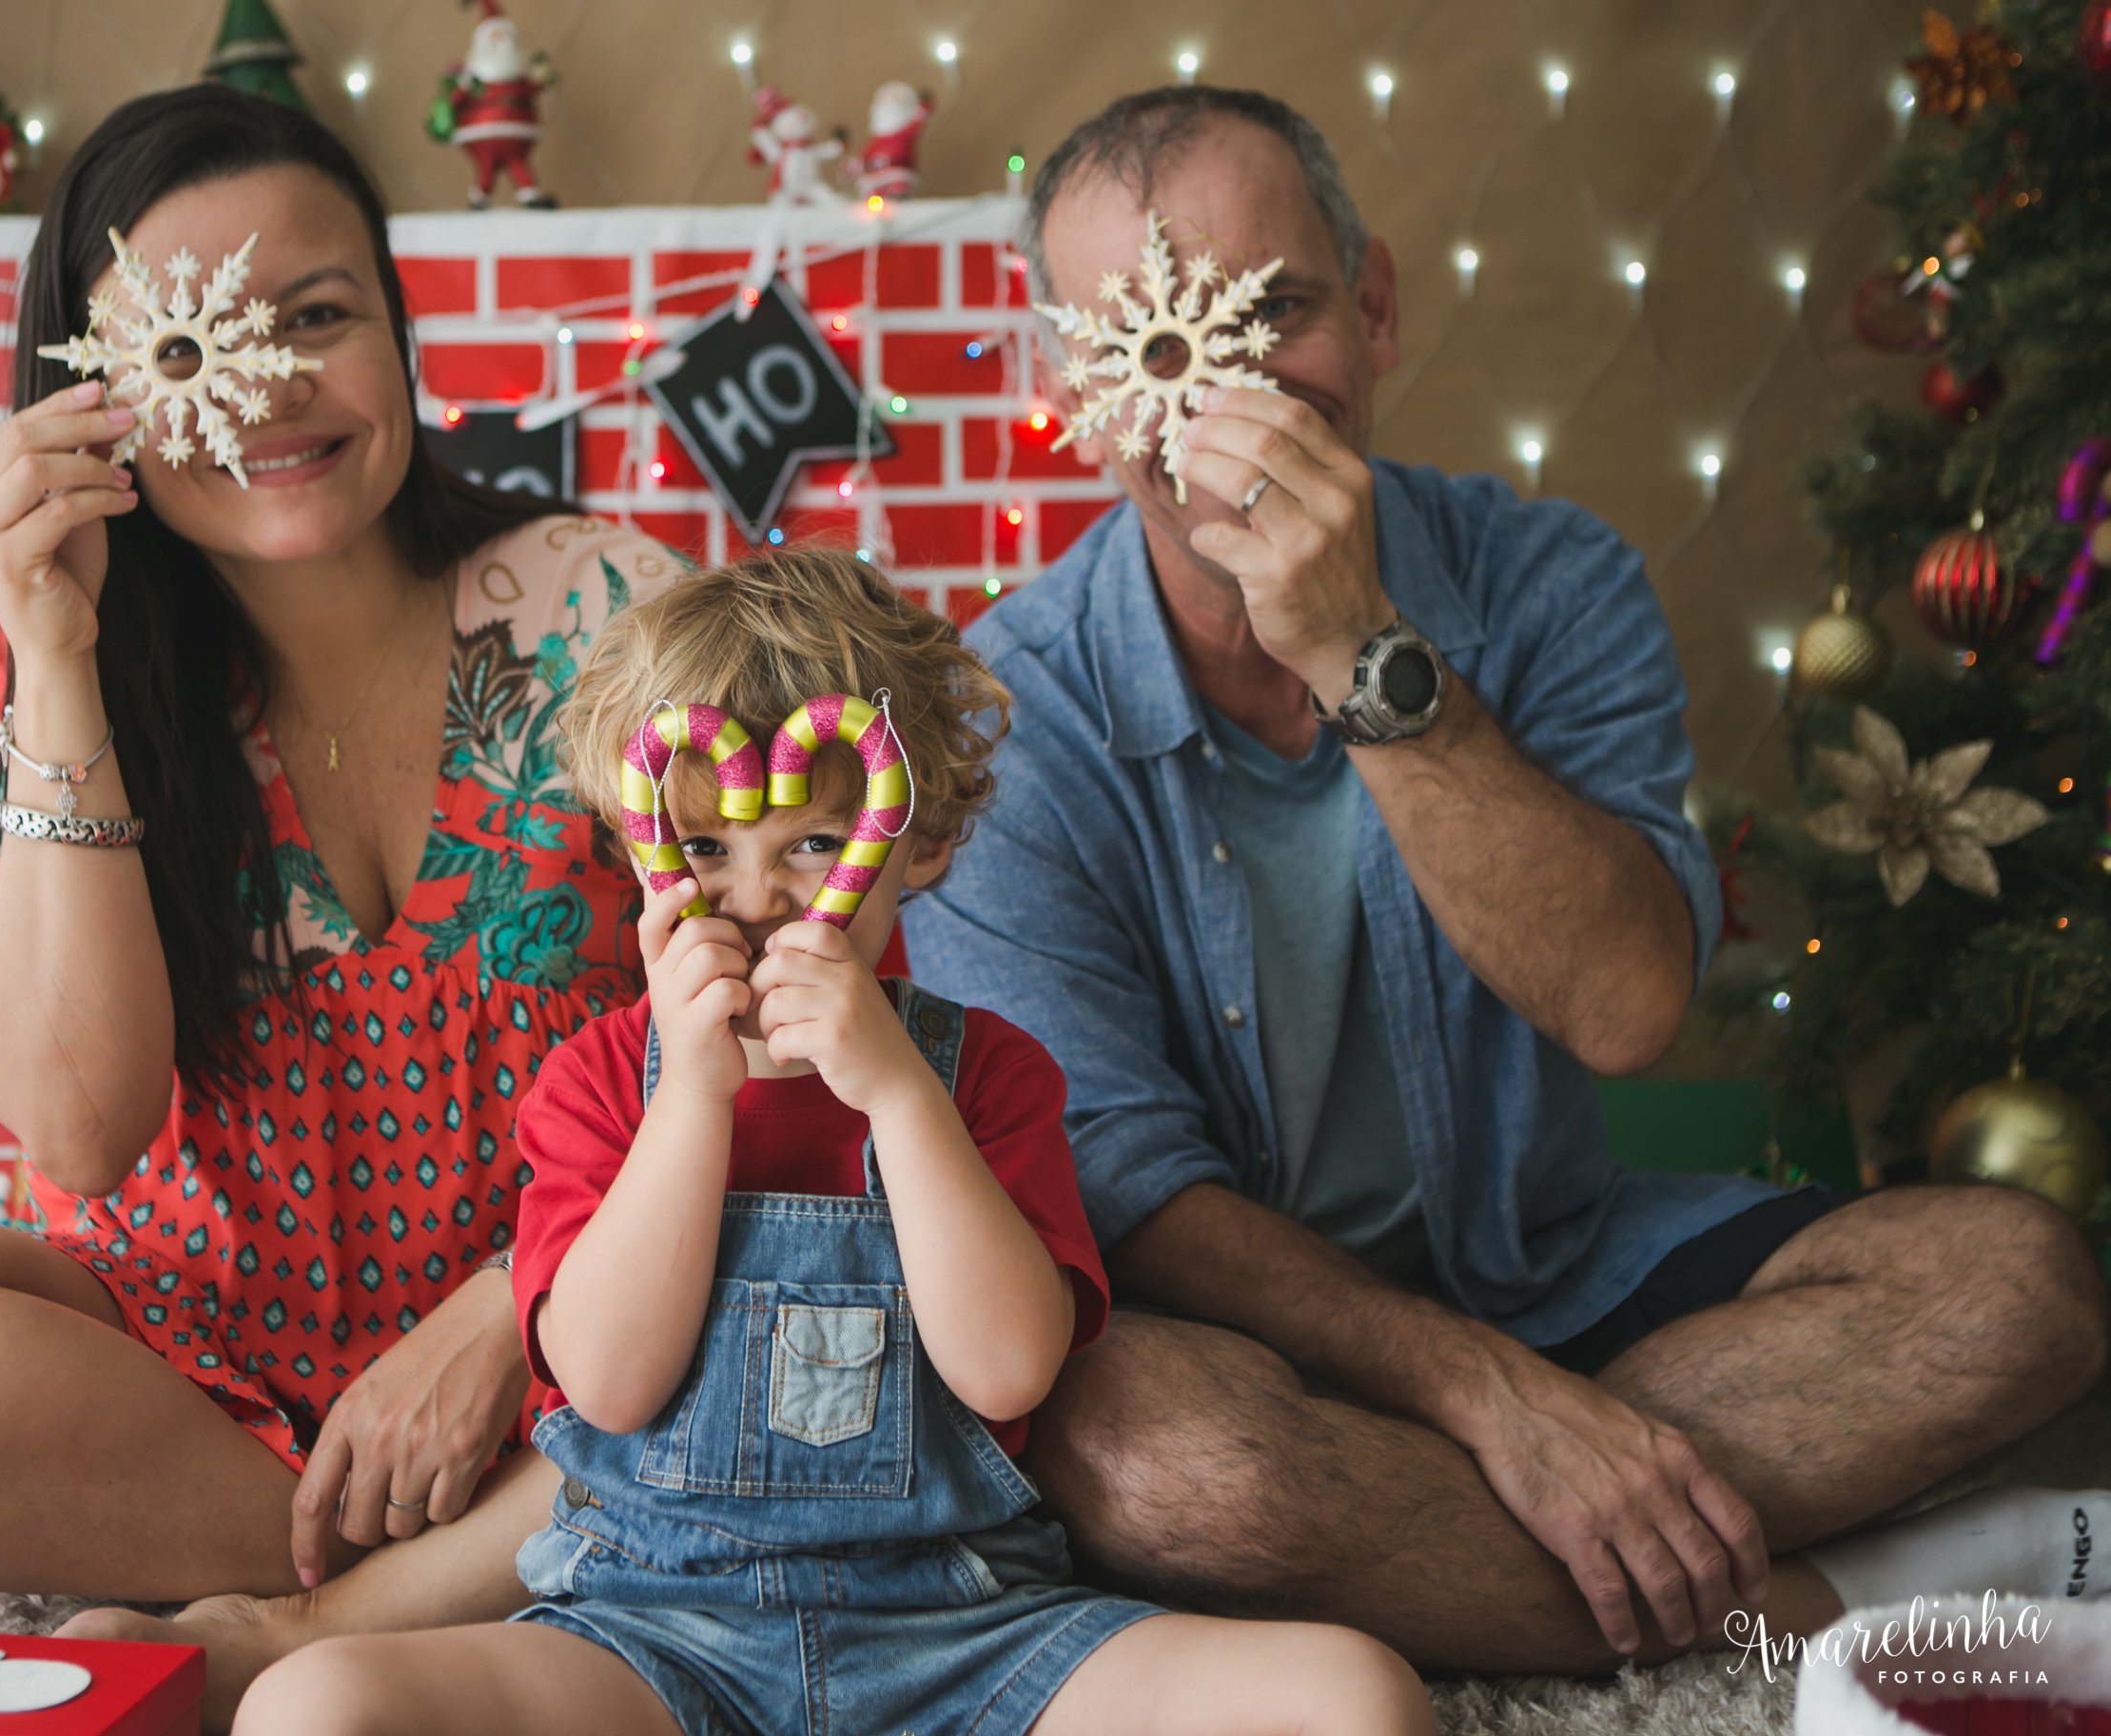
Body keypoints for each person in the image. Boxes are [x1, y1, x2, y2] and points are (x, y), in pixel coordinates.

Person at [900, 84, 2111, 1673]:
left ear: (1375, 303)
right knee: (1147, 1462)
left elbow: (1624, 1010)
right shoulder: (1004, 719)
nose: (1226, 391)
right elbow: (1124, 1188)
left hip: (1550, 1265)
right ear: (1072, 388)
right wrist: (1485, 1397)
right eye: (1152, 343)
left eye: (1274, 310)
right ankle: (1821, 1604)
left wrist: (1355, 651)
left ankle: (1459, 1557)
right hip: (1247, 1340)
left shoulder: (1550, 585)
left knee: (2014, 1285)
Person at [0, 86, 683, 1724]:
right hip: (190, 1366)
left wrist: (517, 1301)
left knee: (801, 1322)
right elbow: (77, 1131)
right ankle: (418, 1586)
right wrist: (58, 666)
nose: (269, 388)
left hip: (570, 1346)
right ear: (92, 393)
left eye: (320, 315)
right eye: (198, 343)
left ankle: (318, 1624)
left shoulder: (610, 614)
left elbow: (774, 1039)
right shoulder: (42, 673)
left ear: (398, 330)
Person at [233, 547, 1432, 1736]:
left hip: (964, 1635)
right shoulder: (596, 1083)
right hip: (651, 1635)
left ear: (920, 845)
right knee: (311, 1705)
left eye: (812, 845)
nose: (755, 900)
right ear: (634, 849)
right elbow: (606, 1381)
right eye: (703, 851)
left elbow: (1009, 1368)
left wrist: (901, 1099)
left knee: (1354, 1696)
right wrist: (691, 1102)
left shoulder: (987, 1081)